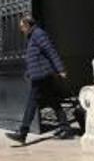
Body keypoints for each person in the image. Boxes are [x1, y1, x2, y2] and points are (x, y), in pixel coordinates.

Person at [5, 15, 72, 145]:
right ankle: (65, 128)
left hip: (43, 74)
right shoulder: (32, 36)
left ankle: (22, 133)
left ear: (28, 25)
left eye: (22, 27)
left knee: (32, 103)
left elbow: (50, 51)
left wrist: (60, 69)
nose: (21, 30)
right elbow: (35, 57)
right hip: (40, 74)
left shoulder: (39, 34)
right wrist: (29, 72)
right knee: (53, 101)